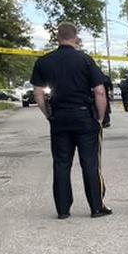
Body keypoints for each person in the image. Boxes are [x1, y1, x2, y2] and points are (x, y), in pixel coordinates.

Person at [29, 23, 112, 219]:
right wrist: (100, 117)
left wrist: (48, 114)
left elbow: (38, 94)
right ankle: (96, 207)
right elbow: (100, 91)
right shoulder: (85, 60)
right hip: (84, 116)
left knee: (61, 163)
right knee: (90, 163)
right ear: (76, 38)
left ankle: (63, 210)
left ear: (57, 37)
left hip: (60, 118)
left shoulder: (44, 61)